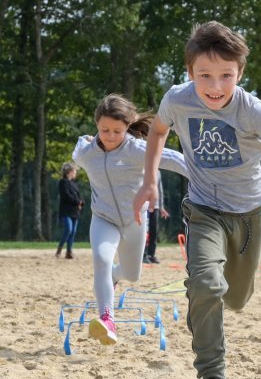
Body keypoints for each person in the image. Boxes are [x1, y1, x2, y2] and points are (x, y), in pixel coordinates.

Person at [132, 21, 261, 379]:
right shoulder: (177, 100)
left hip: (250, 214)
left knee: (236, 298)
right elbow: (158, 130)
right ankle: (211, 370)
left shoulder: (251, 110)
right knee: (206, 285)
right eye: (205, 76)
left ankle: (214, 302)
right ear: (189, 72)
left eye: (226, 76)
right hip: (203, 209)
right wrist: (150, 179)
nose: (215, 87)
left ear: (240, 73)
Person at [73, 94, 188, 347]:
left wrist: (207, 174)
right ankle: (107, 320)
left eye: (117, 130)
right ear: (96, 125)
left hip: (134, 219)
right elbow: (78, 150)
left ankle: (116, 277)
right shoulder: (87, 154)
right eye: (104, 130)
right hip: (103, 218)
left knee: (132, 275)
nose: (110, 136)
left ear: (127, 127)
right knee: (102, 259)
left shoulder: (137, 149)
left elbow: (174, 159)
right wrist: (85, 141)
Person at [143, 170, 173, 264]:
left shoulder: (158, 172)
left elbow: (160, 190)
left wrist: (161, 207)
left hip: (155, 206)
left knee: (154, 231)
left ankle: (151, 255)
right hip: (144, 206)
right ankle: (143, 255)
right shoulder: (141, 169)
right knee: (144, 231)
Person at [56, 162, 83, 259]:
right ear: (70, 172)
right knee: (69, 229)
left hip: (75, 212)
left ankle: (69, 252)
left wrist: (81, 203)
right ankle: (59, 249)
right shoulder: (63, 182)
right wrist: (77, 202)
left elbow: (78, 196)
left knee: (73, 232)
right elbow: (66, 195)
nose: (76, 173)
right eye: (75, 171)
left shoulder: (74, 184)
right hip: (66, 211)